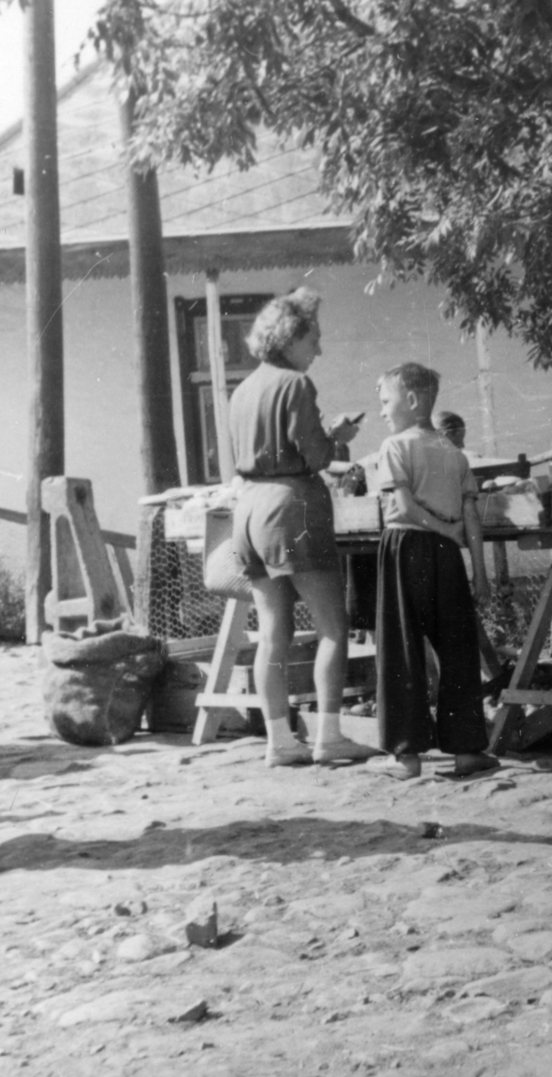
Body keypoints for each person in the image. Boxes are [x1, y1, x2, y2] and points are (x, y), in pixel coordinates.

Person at [228, 287, 370, 766]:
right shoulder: (295, 385)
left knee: (273, 633)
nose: (320, 350)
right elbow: (315, 456)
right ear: (291, 338)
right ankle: (329, 737)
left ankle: (280, 742)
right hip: (291, 507)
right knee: (333, 626)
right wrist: (339, 439)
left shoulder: (243, 389)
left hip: (248, 510)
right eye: (314, 339)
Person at [374, 363, 497, 778]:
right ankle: (466, 751)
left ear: (411, 401)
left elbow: (403, 507)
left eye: (386, 401)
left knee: (402, 648)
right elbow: (472, 518)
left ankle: (406, 757)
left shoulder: (394, 446)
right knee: (457, 648)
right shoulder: (453, 451)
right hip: (447, 556)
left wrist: (442, 529)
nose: (382, 412)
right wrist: (478, 573)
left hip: (405, 546)